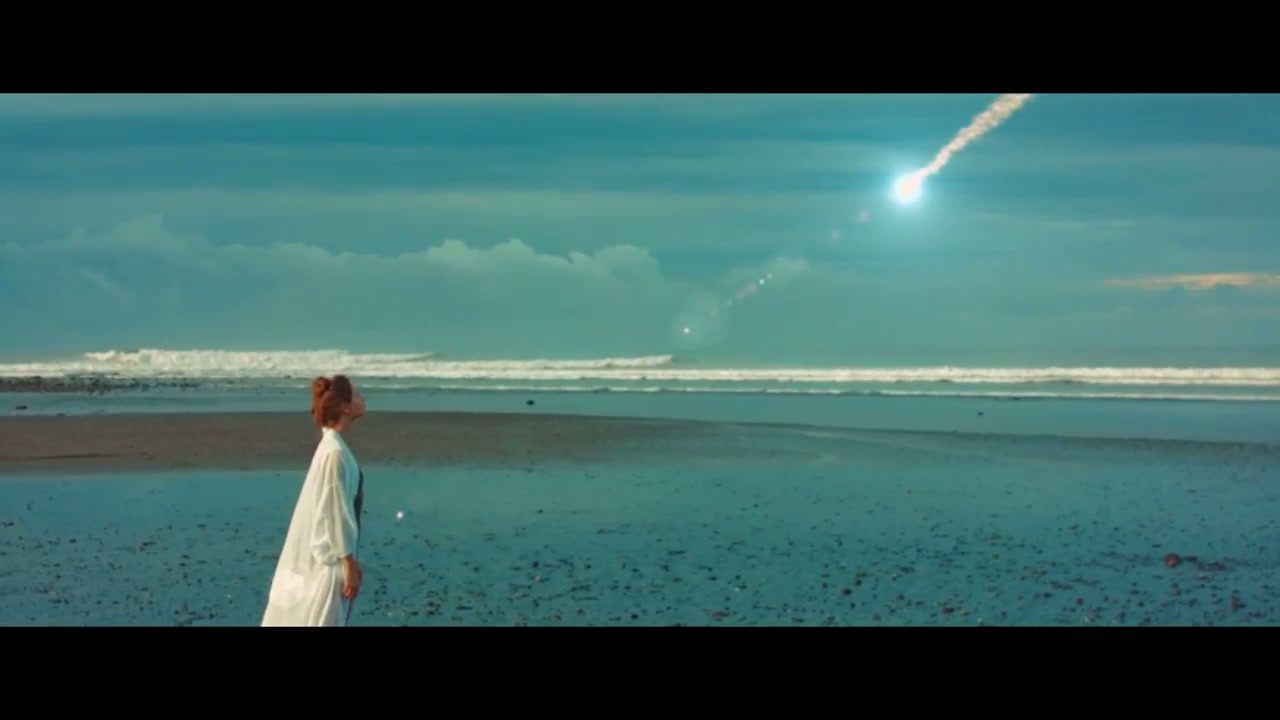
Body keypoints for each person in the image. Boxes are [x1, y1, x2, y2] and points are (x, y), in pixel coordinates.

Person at [261, 374, 367, 626]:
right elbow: (335, 511)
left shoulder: (332, 445)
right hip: (329, 567)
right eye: (356, 394)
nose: (362, 397)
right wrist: (348, 562)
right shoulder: (335, 453)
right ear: (345, 406)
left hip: (332, 561)